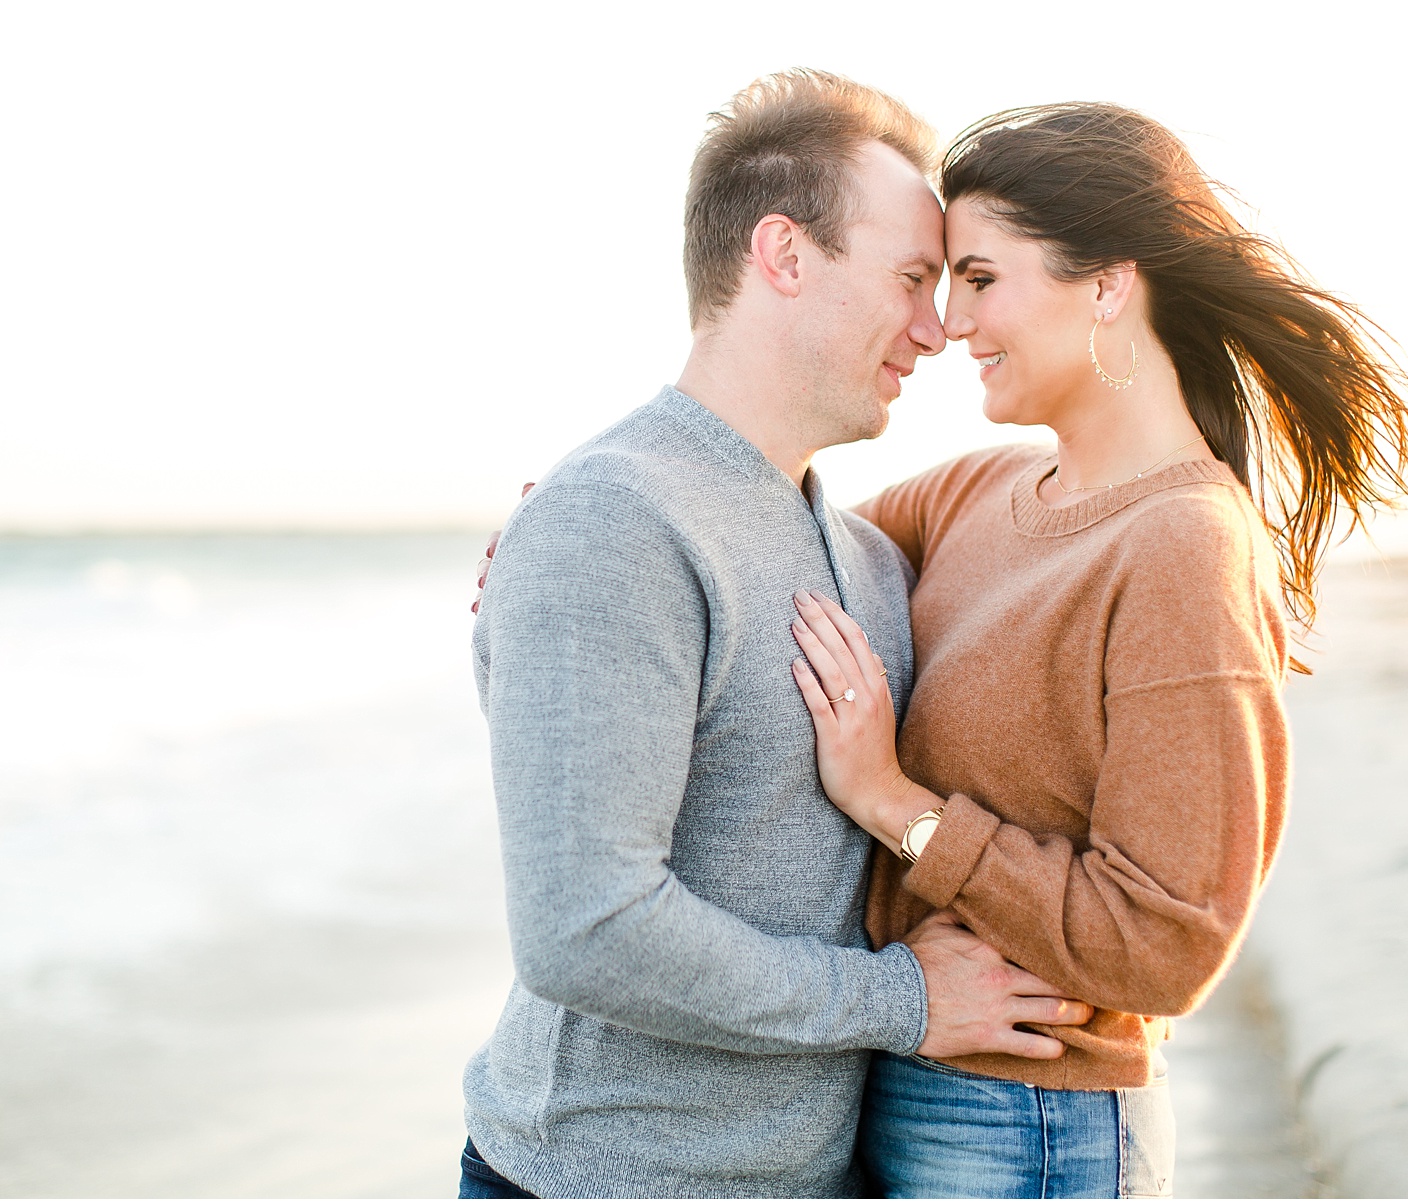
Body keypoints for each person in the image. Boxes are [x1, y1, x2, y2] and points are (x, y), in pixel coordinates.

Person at [785, 103, 1408, 1197]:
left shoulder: (1182, 545)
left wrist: (896, 802)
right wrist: (610, 520)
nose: (947, 323)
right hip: (897, 1074)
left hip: (1029, 1122)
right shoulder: (978, 491)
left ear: (1107, 283)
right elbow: (778, 553)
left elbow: (1168, 942)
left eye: (982, 278)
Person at [461, 73, 1093, 1200]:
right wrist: (904, 999)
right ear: (784, 255)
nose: (937, 327)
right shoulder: (613, 519)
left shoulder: (868, 555)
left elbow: (1039, 550)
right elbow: (583, 928)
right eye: (910, 279)